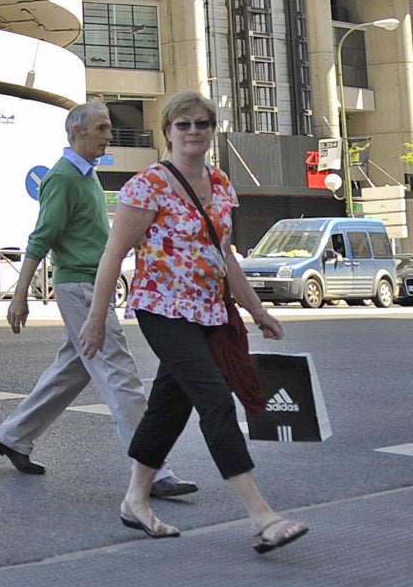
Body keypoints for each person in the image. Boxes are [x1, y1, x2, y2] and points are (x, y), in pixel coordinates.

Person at [80, 89, 309, 553]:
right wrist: (96, 318)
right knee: (214, 400)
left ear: (211, 131)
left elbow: (224, 255)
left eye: (201, 124)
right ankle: (260, 516)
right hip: (162, 309)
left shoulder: (221, 183)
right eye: (183, 124)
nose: (193, 132)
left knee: (169, 407)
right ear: (167, 131)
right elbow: (113, 254)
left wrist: (257, 310)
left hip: (209, 310)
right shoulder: (147, 185)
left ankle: (135, 500)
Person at [0, 101, 195, 501]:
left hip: (89, 285)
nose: (109, 135)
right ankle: (153, 469)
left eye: (108, 128)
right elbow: (40, 239)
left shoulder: (83, 176)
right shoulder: (63, 177)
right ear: (77, 132)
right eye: (101, 128)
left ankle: (13, 437)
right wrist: (19, 297)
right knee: (120, 374)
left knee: (73, 368)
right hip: (81, 288)